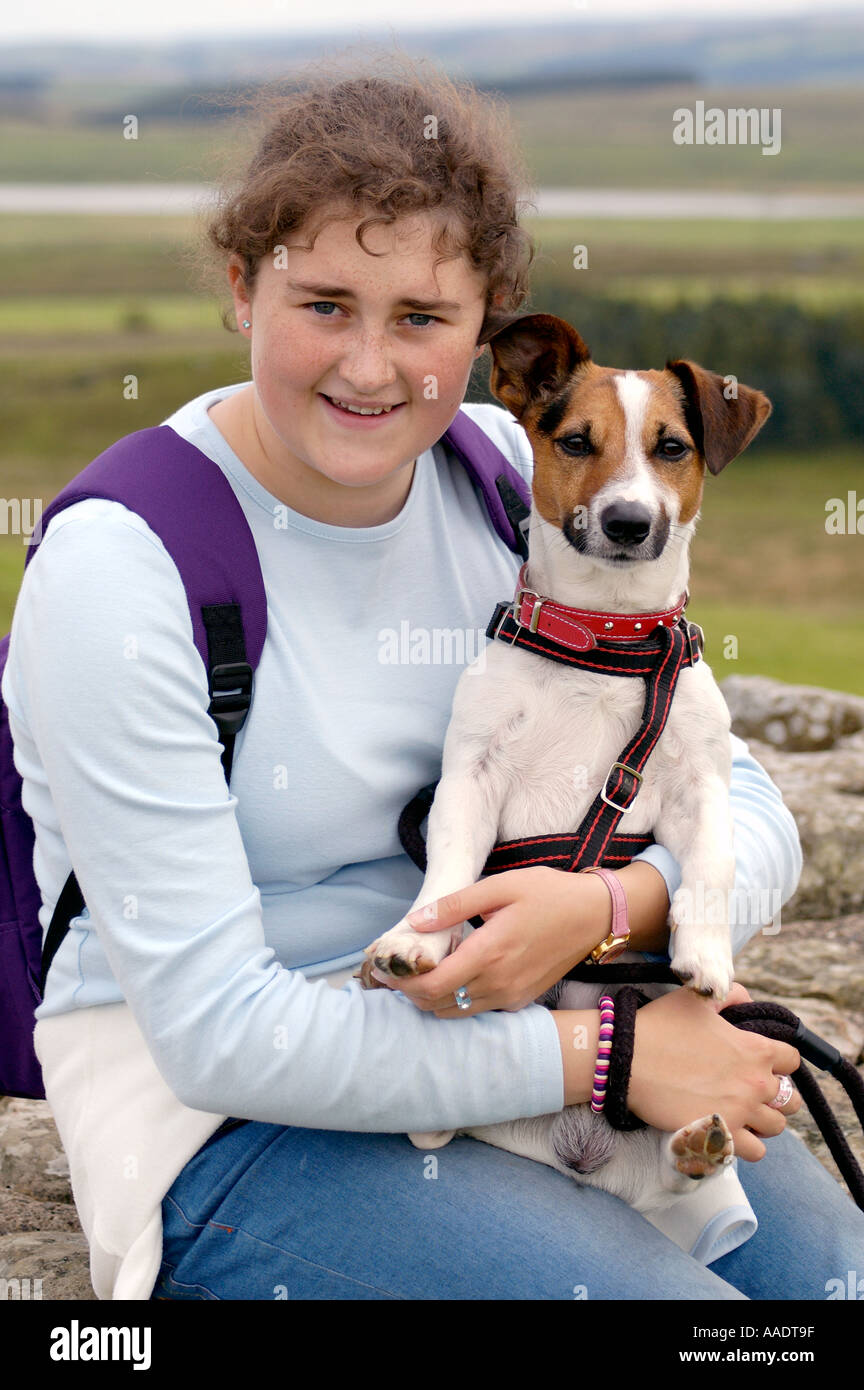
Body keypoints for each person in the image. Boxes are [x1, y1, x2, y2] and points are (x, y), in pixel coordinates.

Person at [4, 50, 863, 1303]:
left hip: (533, 1023)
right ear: (243, 288)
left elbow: (740, 799)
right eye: (324, 305)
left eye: (420, 319)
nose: (367, 367)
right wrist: (605, 1052)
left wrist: (611, 911)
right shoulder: (126, 567)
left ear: (488, 334)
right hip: (236, 1120)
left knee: (834, 1277)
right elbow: (220, 1036)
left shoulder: (507, 479)